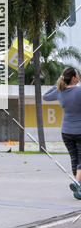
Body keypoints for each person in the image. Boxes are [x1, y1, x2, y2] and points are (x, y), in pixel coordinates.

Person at [43, 66, 81, 201]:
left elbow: (45, 96)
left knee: (74, 159)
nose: (79, 75)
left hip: (66, 131)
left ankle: (78, 188)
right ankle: (77, 184)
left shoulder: (60, 91)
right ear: (74, 78)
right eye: (77, 74)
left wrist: (58, 82)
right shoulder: (79, 91)